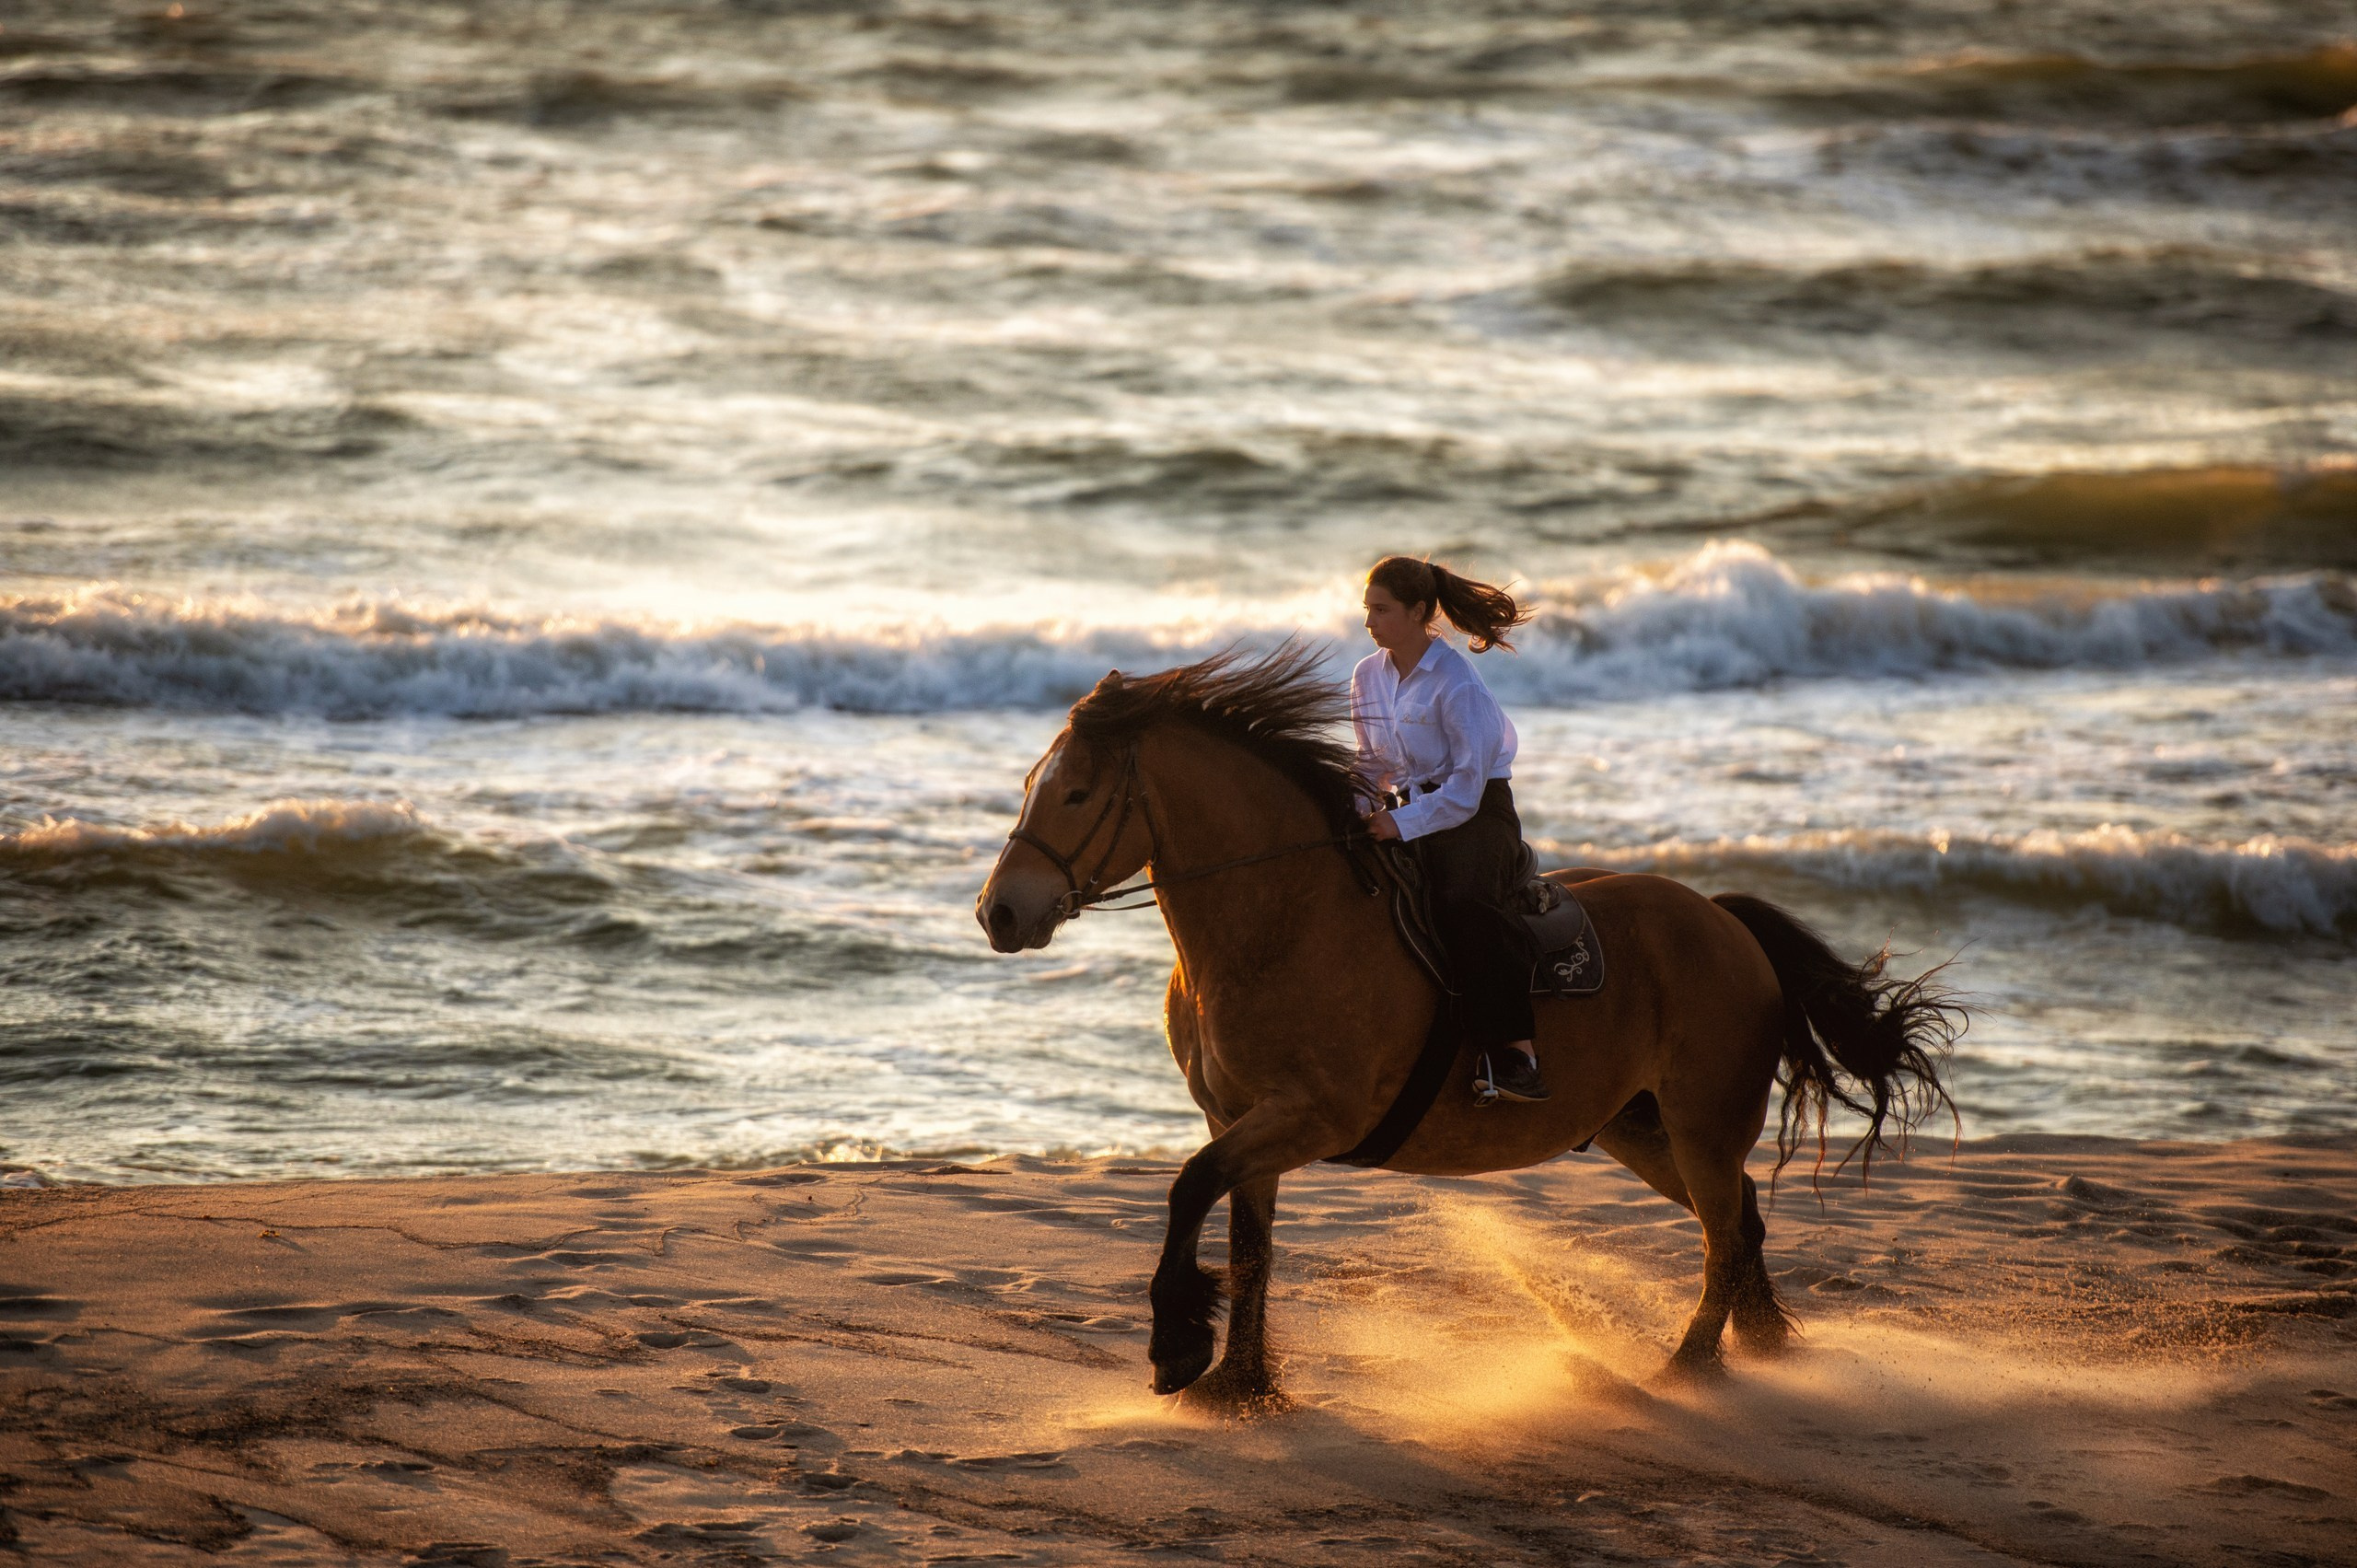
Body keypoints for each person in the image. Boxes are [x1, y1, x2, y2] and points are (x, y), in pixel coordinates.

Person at [1352, 555, 1548, 1104]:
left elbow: (1466, 788)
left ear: (1418, 612)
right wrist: (1352, 809)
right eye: (1367, 610)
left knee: (1464, 903)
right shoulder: (1367, 674)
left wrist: (1399, 823)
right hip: (1405, 808)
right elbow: (1372, 764)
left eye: (1382, 610)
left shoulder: (1457, 681)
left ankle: (1518, 1055)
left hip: (1477, 810)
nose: (1369, 622)